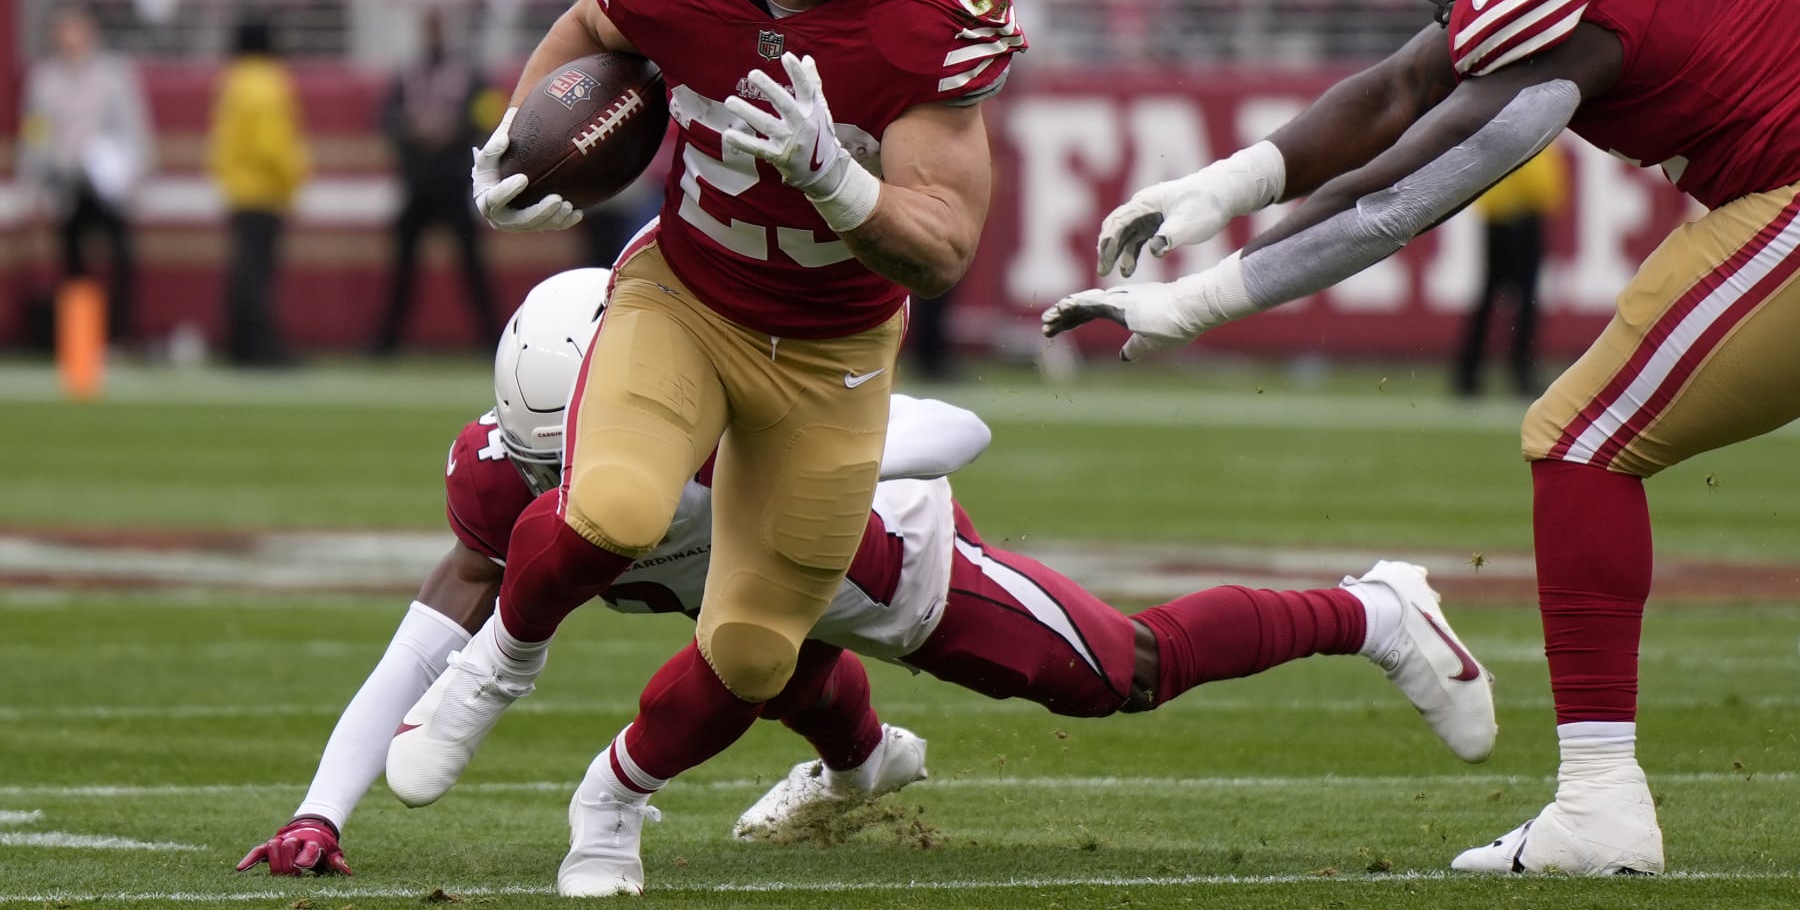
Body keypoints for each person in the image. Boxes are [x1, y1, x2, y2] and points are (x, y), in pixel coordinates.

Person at [1044, 0, 1800, 877]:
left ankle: (1601, 808)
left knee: (1582, 442)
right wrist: (1217, 188)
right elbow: (1403, 84)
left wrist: (1192, 303)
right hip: (1772, 183)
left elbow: (1401, 195)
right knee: (1586, 434)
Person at [239, 269, 1497, 883]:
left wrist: (792, 459)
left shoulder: (728, 422)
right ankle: (853, 768)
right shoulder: (515, 485)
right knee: (757, 652)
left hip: (897, 566)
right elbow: (419, 646)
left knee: (1125, 672)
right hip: (759, 609)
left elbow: (955, 431)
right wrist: (317, 812)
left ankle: (1374, 609)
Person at [387, 0, 1027, 895]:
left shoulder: (938, 1)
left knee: (749, 647)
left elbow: (942, 251)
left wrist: (838, 178)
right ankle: (498, 666)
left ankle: (611, 804)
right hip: (686, 296)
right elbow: (594, 34)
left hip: (833, 352)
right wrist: (520, 138)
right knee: (615, 510)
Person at [16, 6, 153, 347]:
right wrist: (34, 182)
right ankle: (80, 338)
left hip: (108, 183)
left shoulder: (113, 74)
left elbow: (132, 128)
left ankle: (118, 335)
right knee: (74, 265)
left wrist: (133, 175)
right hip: (67, 180)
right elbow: (36, 132)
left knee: (121, 258)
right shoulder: (45, 79)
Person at [370, 9, 503, 355]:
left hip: (453, 179)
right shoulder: (408, 73)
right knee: (403, 268)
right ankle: (387, 340)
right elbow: (386, 119)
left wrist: (452, 128)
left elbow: (488, 114)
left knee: (472, 266)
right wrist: (412, 129)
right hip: (419, 180)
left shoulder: (466, 72)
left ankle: (491, 338)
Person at [208, 18, 311, 367]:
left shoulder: (232, 81)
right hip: (265, 189)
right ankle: (260, 347)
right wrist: (291, 183)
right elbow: (273, 145)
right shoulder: (269, 82)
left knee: (244, 271)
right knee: (258, 275)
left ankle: (240, 344)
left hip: (238, 187)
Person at [1453, 143, 1567, 398]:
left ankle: (1469, 375)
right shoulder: (1535, 131)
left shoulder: (1503, 126)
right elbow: (1542, 185)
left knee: (1490, 298)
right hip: (1522, 221)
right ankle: (1519, 372)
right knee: (1525, 300)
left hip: (1499, 219)